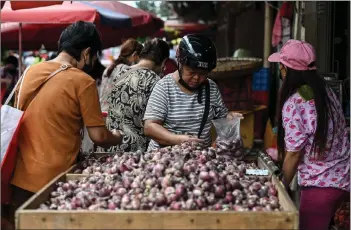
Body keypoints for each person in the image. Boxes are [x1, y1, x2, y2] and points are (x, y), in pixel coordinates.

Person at [11, 21, 123, 210]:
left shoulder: (30, 71)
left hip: (19, 177)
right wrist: (117, 137)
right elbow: (100, 137)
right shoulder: (83, 82)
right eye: (93, 57)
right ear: (87, 53)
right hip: (55, 181)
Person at [269, 39, 350, 230]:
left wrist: (282, 184)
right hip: (344, 178)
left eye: (281, 66)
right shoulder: (326, 93)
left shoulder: (294, 103)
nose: (280, 71)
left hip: (320, 188)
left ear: (287, 71)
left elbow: (295, 153)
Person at [144, 34, 242, 151]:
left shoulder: (211, 87)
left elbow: (221, 116)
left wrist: (229, 118)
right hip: (165, 158)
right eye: (191, 71)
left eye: (203, 73)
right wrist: (179, 140)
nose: (196, 78)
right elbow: (150, 127)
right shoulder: (164, 87)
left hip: (200, 160)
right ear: (179, 63)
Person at [107, 38, 169, 153]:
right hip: (135, 152)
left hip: (111, 144)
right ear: (164, 62)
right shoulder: (154, 80)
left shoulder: (119, 72)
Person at [99, 38, 143, 112]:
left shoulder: (109, 68)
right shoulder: (127, 70)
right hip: (113, 118)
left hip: (102, 113)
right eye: (140, 58)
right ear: (135, 55)